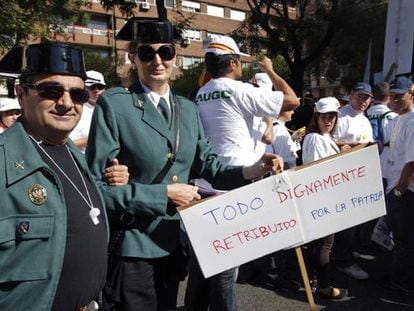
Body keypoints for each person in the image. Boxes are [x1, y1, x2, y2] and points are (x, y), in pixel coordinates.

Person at [85, 18, 279, 311]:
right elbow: (96, 188)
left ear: (175, 58)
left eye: (166, 52)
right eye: (147, 53)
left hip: (174, 240)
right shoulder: (115, 105)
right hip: (136, 245)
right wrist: (162, 195)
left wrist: (255, 169)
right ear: (133, 58)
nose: (158, 61)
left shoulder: (187, 109)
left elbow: (211, 168)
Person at [0, 43, 128, 310]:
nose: (67, 103)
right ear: (20, 93)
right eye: (51, 90)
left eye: (78, 94)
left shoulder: (75, 155)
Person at [187, 34, 299, 311]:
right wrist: (270, 70)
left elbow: (234, 135)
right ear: (234, 63)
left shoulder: (201, 93)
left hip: (207, 183)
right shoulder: (239, 90)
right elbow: (293, 100)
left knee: (204, 263)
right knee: (226, 268)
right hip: (236, 186)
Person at [302, 97, 349, 299]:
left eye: (332, 116)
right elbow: (316, 170)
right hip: (321, 198)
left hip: (325, 197)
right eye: (324, 116)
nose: (328, 120)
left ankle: (315, 280)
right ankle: (323, 287)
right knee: (324, 244)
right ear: (317, 117)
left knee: (320, 244)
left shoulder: (323, 137)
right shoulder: (314, 138)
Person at [332, 82, 374, 280]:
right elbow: (331, 140)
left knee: (357, 217)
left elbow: (367, 141)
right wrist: (357, 145)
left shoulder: (364, 118)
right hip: (343, 175)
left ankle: (346, 250)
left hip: (360, 174)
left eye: (367, 97)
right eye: (360, 96)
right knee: (346, 219)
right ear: (350, 95)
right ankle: (343, 260)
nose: (363, 101)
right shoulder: (341, 115)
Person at [382, 76, 414, 293]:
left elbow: (412, 162)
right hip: (394, 186)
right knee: (400, 238)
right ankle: (400, 276)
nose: (393, 99)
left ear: (411, 95)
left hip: (406, 192)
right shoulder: (397, 119)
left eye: (399, 95)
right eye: (391, 95)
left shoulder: (412, 122)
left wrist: (400, 190)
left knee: (405, 240)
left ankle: (402, 282)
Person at [70, 70, 106, 152]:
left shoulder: (108, 109)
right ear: (84, 89)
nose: (96, 91)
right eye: (92, 87)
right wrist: (94, 138)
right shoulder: (76, 111)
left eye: (100, 87)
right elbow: (68, 145)